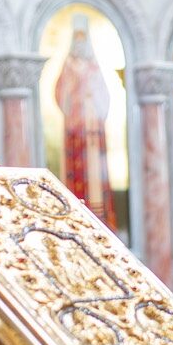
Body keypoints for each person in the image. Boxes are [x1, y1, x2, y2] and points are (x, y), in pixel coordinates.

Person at [54, 14, 116, 230]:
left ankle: (99, 219)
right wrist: (73, 94)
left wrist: (92, 98)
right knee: (77, 169)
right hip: (75, 129)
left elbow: (104, 96)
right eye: (77, 36)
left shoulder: (94, 66)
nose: (80, 41)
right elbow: (59, 94)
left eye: (83, 36)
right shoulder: (68, 66)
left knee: (95, 173)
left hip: (92, 128)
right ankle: (77, 216)